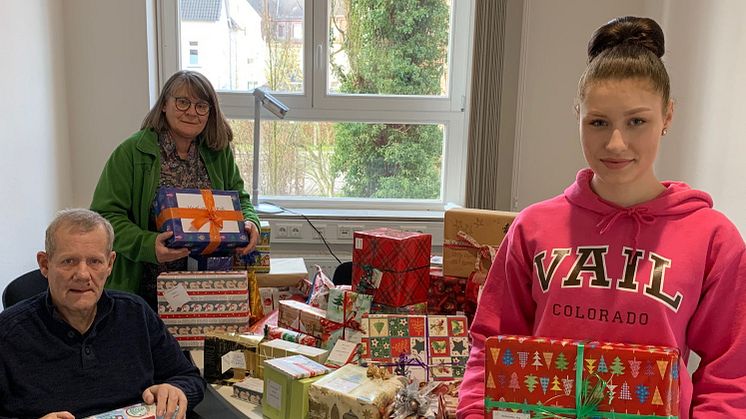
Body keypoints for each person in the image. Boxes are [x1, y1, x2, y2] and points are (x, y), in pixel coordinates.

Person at [458, 16, 746, 418]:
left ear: (667, 116)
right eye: (598, 122)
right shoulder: (532, 228)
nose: (615, 143)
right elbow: (492, 342)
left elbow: (731, 375)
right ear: (577, 115)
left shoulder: (713, 239)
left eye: (637, 121)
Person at [0, 209, 205, 419]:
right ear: (45, 264)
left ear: (110, 264)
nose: (82, 274)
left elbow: (188, 377)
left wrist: (175, 390)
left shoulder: (136, 313)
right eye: (68, 261)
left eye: (94, 262)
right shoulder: (8, 332)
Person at [90, 70, 261, 309]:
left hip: (209, 288)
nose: (192, 112)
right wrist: (148, 245)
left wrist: (251, 222)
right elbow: (104, 217)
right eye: (183, 102)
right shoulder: (132, 153)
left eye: (202, 105)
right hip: (145, 292)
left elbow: (240, 198)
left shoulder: (218, 151)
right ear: (164, 105)